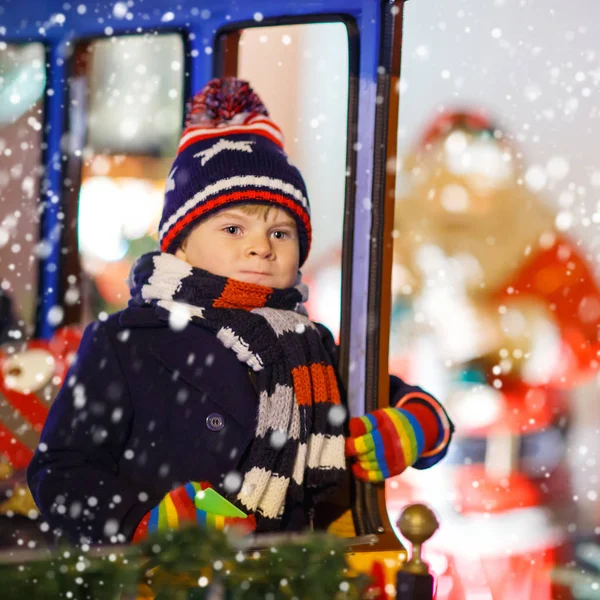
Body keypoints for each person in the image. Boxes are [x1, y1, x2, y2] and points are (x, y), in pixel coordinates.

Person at [27, 78, 453, 546]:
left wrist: (414, 427)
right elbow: (60, 474)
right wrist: (149, 521)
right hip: (162, 580)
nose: (260, 247)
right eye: (234, 228)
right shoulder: (126, 341)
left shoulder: (309, 345)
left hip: (289, 575)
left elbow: (407, 405)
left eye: (281, 233)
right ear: (182, 247)